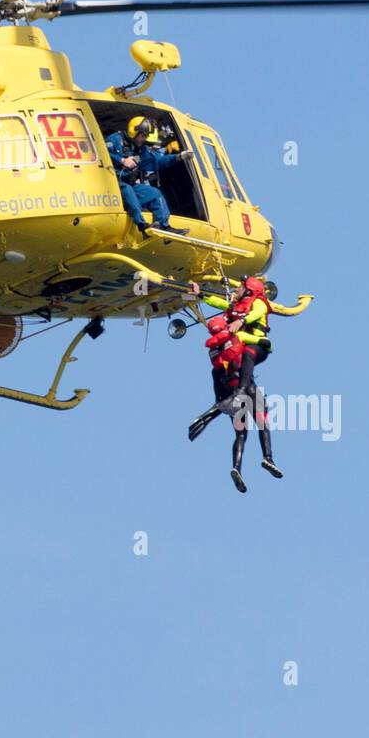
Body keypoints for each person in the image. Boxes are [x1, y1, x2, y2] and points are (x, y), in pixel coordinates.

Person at [194, 276, 282, 492]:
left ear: (249, 291)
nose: (236, 289)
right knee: (262, 420)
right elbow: (223, 304)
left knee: (241, 433)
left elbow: (254, 313)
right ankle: (267, 458)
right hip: (246, 385)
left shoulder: (220, 352)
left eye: (240, 287)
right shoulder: (233, 341)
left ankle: (237, 467)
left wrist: (238, 324)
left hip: (230, 384)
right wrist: (202, 295)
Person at [104, 116, 188, 237]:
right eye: (143, 136)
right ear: (135, 131)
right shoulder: (115, 140)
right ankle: (142, 225)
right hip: (114, 184)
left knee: (155, 193)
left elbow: (156, 161)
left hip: (129, 183)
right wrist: (122, 160)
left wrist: (177, 157)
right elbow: (102, 152)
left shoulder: (140, 149)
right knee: (128, 190)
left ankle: (164, 226)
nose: (144, 139)